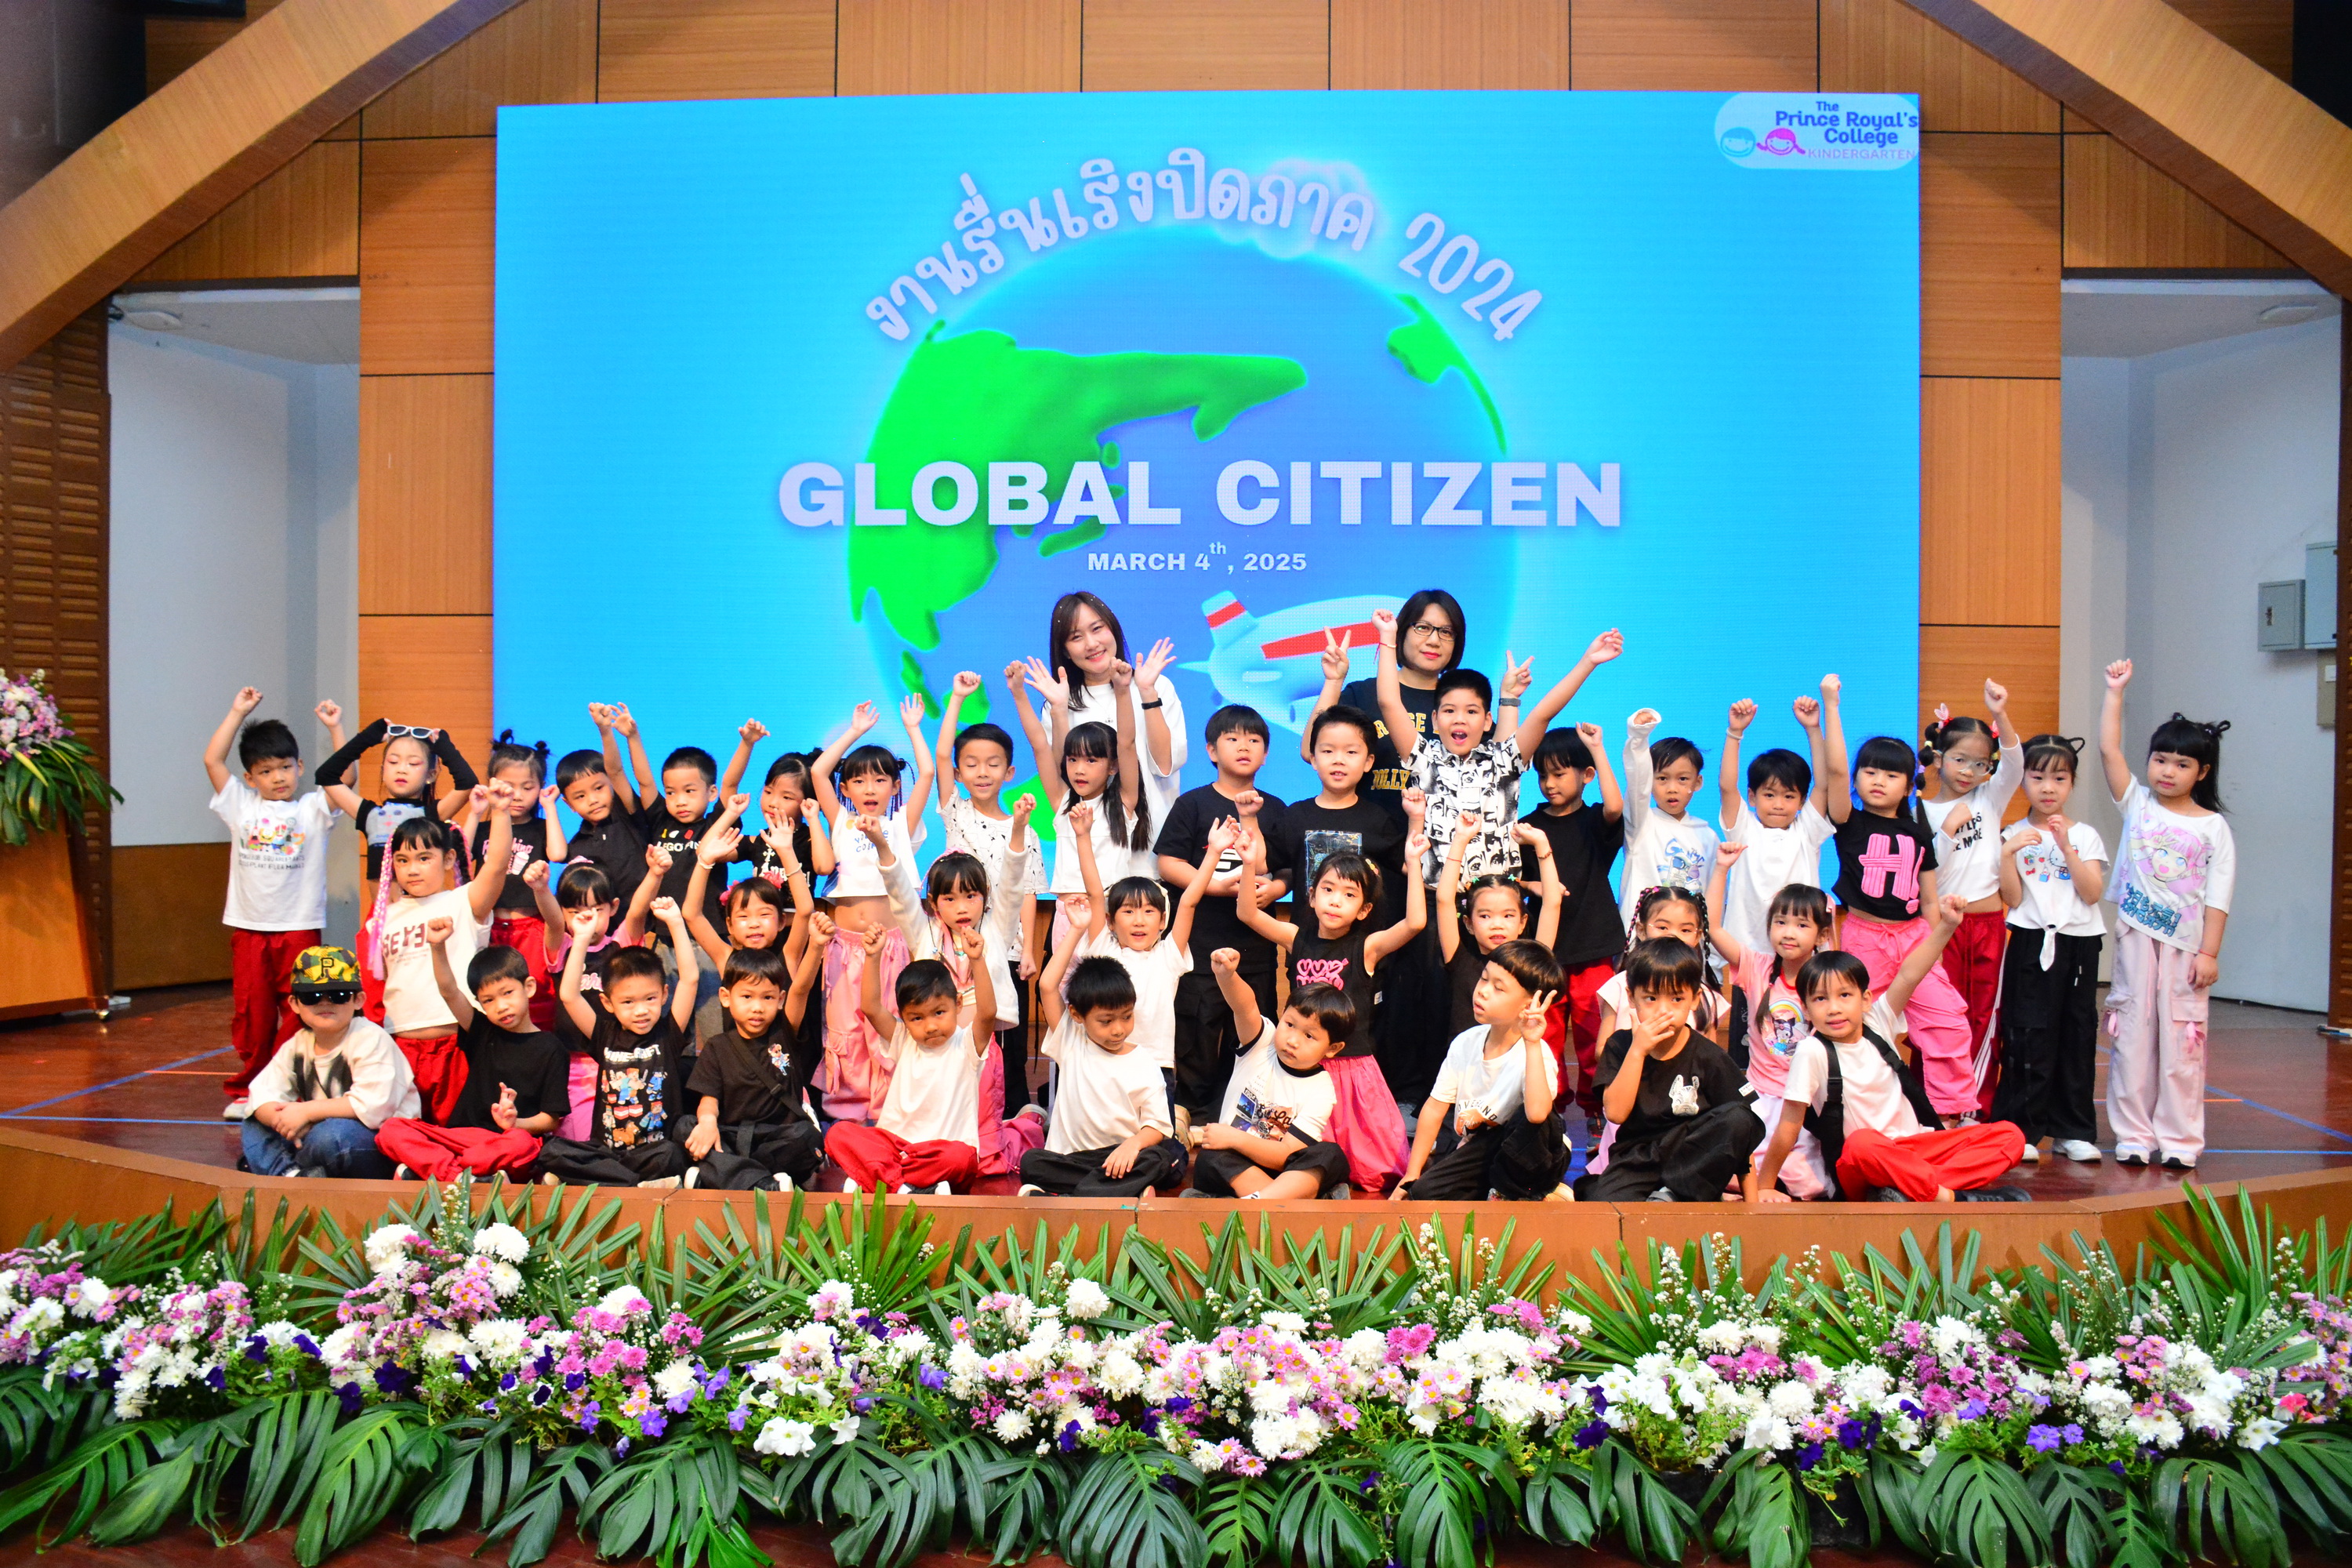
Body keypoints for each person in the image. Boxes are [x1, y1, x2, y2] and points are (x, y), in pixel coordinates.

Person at [1753, 916, 2028, 1203]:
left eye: (1844, 995)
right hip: (1863, 1163)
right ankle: (1948, 1197)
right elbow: (1789, 1123)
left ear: (1865, 1000)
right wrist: (1765, 1186)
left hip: (1915, 1149)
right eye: (1820, 999)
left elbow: (1910, 974)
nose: (1834, 1008)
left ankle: (1906, 1190)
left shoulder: (1878, 1022)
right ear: (1807, 1010)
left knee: (2010, 1136)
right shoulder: (1812, 1051)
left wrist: (1947, 925)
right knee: (1861, 1143)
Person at [2098, 660, 2234, 1171]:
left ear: (2202, 772)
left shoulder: (2213, 827)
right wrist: (2115, 692)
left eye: (2181, 764)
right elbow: (2109, 750)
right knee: (2132, 1039)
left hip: (2185, 948)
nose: (2167, 771)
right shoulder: (2137, 804)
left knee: (2182, 1045)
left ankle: (2180, 1140)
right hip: (2137, 940)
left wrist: (2209, 953)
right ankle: (2134, 1135)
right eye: (2160, 760)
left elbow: (2218, 896)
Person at [1820, 674, 1974, 1122]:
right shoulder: (1848, 820)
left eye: (1891, 775)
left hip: (1915, 938)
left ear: (1909, 786)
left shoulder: (1917, 831)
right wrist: (1832, 705)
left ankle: (1948, 1117)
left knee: (1947, 1021)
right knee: (1854, 1026)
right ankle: (1855, 1114)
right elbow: (1834, 771)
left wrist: (1936, 947)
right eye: (1869, 772)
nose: (1878, 781)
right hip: (1864, 938)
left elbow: (1929, 901)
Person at [1239, 836, 1427, 1194]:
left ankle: (1333, 1183)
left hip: (1350, 1067)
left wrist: (1414, 862)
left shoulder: (1367, 947)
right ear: (1311, 897)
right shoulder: (1297, 938)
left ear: (1364, 910)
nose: (1336, 900)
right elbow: (1247, 913)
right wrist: (1250, 865)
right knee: (1294, 1152)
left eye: (1349, 894)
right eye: (1328, 889)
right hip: (1301, 1067)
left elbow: (1415, 923)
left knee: (1369, 1165)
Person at [1372, 613, 1620, 884]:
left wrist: (1588, 662)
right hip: (1435, 896)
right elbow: (1389, 703)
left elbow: (1543, 714)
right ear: (1434, 719)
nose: (1459, 719)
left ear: (1488, 720)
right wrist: (1387, 636)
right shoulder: (1424, 758)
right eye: (1449, 710)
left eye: (1471, 711)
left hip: (1498, 901)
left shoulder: (1503, 760)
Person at [202, 688, 343, 1119]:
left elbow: (345, 779)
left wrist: (336, 728)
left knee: (299, 1008)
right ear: (251, 778)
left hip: (299, 927)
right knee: (253, 1013)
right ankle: (250, 1089)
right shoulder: (240, 806)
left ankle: (284, 1086)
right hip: (250, 927)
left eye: (285, 767)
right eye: (266, 771)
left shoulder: (313, 809)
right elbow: (213, 760)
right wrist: (237, 711)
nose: (278, 777)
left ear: (299, 767)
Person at [1155, 705, 1294, 1138]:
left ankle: (1241, 1114)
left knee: (1254, 1027)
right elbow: (1168, 863)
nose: (1244, 746)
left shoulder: (1275, 808)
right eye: (1232, 739)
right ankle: (1191, 1112)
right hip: (1199, 944)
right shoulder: (1192, 804)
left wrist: (1275, 888)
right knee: (1197, 1029)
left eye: (1254, 740)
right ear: (1212, 751)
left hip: (1255, 946)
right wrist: (1214, 887)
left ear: (1266, 755)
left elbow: (1286, 869)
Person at [883, 819, 1050, 1177]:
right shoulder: (924, 933)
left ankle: (1013, 1133)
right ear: (934, 903)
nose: (962, 907)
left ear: (985, 897)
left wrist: (1018, 830)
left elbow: (1013, 887)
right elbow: (900, 895)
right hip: (934, 1052)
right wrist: (881, 846)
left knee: (981, 1137)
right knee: (938, 1121)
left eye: (971, 896)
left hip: (979, 1051)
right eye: (950, 898)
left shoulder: (996, 929)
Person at [1988, 735, 2107, 1166]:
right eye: (2037, 777)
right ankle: (2020, 1131)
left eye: (2059, 778)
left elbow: (2092, 893)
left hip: (2079, 945)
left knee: (2077, 1034)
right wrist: (2007, 854)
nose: (2048, 788)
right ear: (2023, 781)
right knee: (2027, 1033)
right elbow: (2013, 898)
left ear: (2072, 783)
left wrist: (2066, 846)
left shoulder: (2086, 835)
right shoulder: (2012, 834)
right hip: (2030, 939)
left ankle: (2072, 1131)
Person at [1574, 938, 1760, 1203]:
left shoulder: (1709, 1056)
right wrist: (1637, 1051)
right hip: (1637, 1159)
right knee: (1603, 1202)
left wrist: (1752, 1204)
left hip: (1691, 1161)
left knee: (1741, 1116)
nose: (1664, 1011)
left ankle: (1675, 1193)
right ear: (1631, 998)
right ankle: (1670, 1197)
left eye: (1676, 999)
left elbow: (1741, 1128)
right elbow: (1615, 1114)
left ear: (1694, 999)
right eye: (1651, 998)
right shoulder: (1619, 1046)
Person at [808, 701, 922, 1125]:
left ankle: (890, 1113)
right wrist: (855, 731)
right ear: (845, 789)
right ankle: (845, 1118)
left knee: (888, 1025)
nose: (869, 787)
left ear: (895, 785)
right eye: (858, 780)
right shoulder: (840, 820)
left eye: (879, 779)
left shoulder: (902, 825)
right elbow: (818, 771)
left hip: (891, 946)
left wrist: (913, 728)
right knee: (845, 1028)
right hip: (844, 946)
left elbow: (928, 773)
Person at [1065, 799, 1213, 1129]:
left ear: (1162, 921)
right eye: (1128, 911)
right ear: (1110, 921)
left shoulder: (1168, 956)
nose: (1139, 920)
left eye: (1149, 911)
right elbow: (1094, 893)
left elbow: (1189, 901)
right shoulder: (1103, 949)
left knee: (1156, 1137)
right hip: (1105, 1057)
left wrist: (1214, 852)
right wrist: (1083, 836)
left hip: (1156, 1063)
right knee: (1112, 1133)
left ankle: (1177, 1124)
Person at [375, 936, 570, 1182]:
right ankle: (460, 1176)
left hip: (505, 1141)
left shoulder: (552, 1048)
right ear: (480, 1004)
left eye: (508, 993)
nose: (501, 1006)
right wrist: (437, 946)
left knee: (523, 1145)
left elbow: (550, 1120)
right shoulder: (482, 1031)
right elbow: (449, 991)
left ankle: (438, 1171)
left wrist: (514, 1123)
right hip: (458, 1138)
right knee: (392, 1129)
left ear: (529, 987)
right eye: (489, 1000)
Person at [374, 789, 515, 1121]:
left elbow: (496, 865)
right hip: (400, 1045)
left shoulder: (464, 901)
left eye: (424, 858)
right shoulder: (383, 917)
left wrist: (500, 811)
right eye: (402, 860)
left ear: (449, 859)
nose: (412, 869)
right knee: (403, 1132)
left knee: (458, 1132)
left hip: (456, 1043)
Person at [1395, 938, 1570, 1201]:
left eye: (1498, 988)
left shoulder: (1537, 1052)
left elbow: (1537, 1115)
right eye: (1484, 979)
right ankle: (1504, 1193)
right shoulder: (1466, 1042)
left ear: (1528, 1005)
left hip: (1528, 1156)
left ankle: (1537, 1191)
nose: (1483, 991)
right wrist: (1411, 1174)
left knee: (1534, 1121)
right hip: (1478, 1151)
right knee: (1423, 1192)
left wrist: (1532, 1042)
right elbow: (1435, 1107)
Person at [1704, 851, 1836, 1198]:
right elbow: (1713, 928)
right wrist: (1721, 869)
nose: (1789, 933)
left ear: (1821, 934)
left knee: (1811, 1180)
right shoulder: (1758, 967)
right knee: (1730, 1163)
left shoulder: (1826, 979)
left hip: (1804, 1101)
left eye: (1802, 925)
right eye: (1781, 922)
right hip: (1760, 1096)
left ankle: (1773, 1189)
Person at [540, 898, 699, 1187]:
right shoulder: (604, 1034)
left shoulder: (668, 1033)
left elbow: (690, 979)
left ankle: (604, 1179)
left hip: (654, 1153)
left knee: (672, 1154)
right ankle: (630, 1182)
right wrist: (581, 938)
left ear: (664, 995)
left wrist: (676, 923)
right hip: (608, 1153)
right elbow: (569, 996)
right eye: (628, 1002)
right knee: (552, 1152)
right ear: (607, 1003)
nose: (641, 1010)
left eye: (650, 999)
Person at [825, 934, 998, 1195]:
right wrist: (873, 956)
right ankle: (904, 1187)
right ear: (904, 1019)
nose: (930, 1026)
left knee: (962, 1157)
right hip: (895, 1149)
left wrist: (977, 960)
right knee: (838, 1134)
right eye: (917, 1018)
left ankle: (880, 1181)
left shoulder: (967, 1045)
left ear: (958, 1004)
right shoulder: (903, 1039)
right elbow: (870, 1007)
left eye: (939, 1012)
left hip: (939, 1157)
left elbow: (988, 1013)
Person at [1918, 681, 2022, 1109]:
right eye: (1959, 759)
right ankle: (1932, 1104)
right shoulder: (1920, 810)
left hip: (1987, 925)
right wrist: (1946, 830)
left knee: (1983, 1014)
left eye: (1980, 764)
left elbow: (2015, 763)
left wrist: (2000, 713)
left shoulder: (1989, 798)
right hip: (1941, 928)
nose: (1968, 771)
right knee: (1939, 1013)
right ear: (1938, 759)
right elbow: (1925, 872)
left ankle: (1974, 1105)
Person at [1184, 949, 1352, 1200]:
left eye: (1309, 1036)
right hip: (1237, 1166)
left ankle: (1257, 1203)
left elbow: (1286, 1155)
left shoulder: (1321, 1089)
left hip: (1282, 1171)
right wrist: (1227, 976)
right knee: (1211, 1156)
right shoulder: (1263, 1045)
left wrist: (1235, 1138)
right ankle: (1290, 1203)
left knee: (1331, 1155)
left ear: (1333, 1048)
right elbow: (1245, 1007)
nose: (1292, 1040)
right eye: (1290, 1024)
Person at [1013, 655, 1157, 941]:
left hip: (1111, 914)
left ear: (1113, 766)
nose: (1079, 769)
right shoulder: (1064, 802)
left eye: (1091, 760)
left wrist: (1122, 691)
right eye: (1073, 759)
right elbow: (1039, 744)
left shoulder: (1124, 802)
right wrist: (1018, 692)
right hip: (1067, 916)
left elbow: (1127, 743)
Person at [239, 946, 416, 1178]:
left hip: (376, 1144)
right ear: (294, 1003)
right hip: (314, 1136)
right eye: (311, 997)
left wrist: (306, 1112)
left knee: (332, 1135)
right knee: (254, 1120)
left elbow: (374, 1106)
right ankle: (291, 1176)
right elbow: (261, 1094)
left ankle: (287, 1169)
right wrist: (283, 1121)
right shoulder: (298, 1044)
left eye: (338, 995)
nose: (325, 1003)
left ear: (358, 1000)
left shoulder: (370, 1038)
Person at [1518, 720, 1626, 1096]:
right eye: (1543, 775)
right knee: (1545, 1032)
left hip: (1594, 945)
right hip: (1545, 948)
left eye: (1559, 774)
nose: (1549, 784)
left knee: (1594, 1030)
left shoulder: (1594, 821)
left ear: (1587, 776)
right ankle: (1550, 1105)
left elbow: (1615, 806)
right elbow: (1512, 879)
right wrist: (1535, 885)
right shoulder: (1528, 827)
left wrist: (1597, 747)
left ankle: (1597, 1108)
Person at [1019, 956, 1185, 1197]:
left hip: (1120, 1158)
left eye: (1127, 1017)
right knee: (1031, 1162)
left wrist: (1133, 1145)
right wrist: (1076, 933)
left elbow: (1156, 1126)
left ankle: (1073, 1198)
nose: (1118, 1029)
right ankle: (1114, 1191)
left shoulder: (1145, 1064)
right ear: (1076, 1014)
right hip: (1072, 1160)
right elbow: (1047, 985)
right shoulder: (1072, 1042)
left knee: (1158, 1158)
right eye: (1106, 1021)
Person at [1303, 586, 1468, 814]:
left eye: (1446, 632)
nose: (1434, 640)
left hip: (1438, 832)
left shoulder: (1462, 704)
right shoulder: (1363, 694)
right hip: (1368, 829)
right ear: (1401, 632)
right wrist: (1334, 680)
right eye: (1423, 628)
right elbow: (1309, 750)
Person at [932, 669, 1044, 996]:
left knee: (1006, 1024)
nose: (982, 772)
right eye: (971, 764)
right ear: (958, 773)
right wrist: (957, 698)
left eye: (993, 764)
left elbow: (1027, 893)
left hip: (1007, 951)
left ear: (1009, 772)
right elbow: (942, 755)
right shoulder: (956, 811)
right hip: (955, 947)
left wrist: (1027, 950)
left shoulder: (1025, 830)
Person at [681, 942, 828, 1191]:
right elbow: (709, 1100)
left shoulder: (785, 1032)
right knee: (685, 1127)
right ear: (726, 997)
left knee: (807, 1137)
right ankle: (765, 1182)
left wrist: (815, 945)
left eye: (767, 997)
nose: (757, 1007)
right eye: (747, 997)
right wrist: (707, 1122)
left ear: (780, 1000)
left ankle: (722, 1174)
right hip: (731, 1136)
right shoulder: (717, 1047)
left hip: (778, 1138)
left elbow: (801, 989)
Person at [1715, 696, 1834, 960]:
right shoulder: (1743, 828)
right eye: (1769, 795)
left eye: (1789, 796)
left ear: (1802, 801)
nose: (1779, 804)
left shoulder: (1807, 831)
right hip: (1748, 953)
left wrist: (1813, 729)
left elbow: (1824, 785)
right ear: (1752, 796)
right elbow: (1727, 786)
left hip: (1801, 954)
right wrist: (1735, 732)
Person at [1047, 590, 1185, 814]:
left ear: (1113, 629)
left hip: (1160, 830)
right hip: (1088, 832)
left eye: (1097, 629)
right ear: (1066, 651)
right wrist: (1059, 710)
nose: (1091, 644)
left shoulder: (1156, 685)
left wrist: (1148, 693)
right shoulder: (1060, 702)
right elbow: (1059, 781)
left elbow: (1165, 766)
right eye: (1076, 637)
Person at [310, 706, 476, 884]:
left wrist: (443, 746)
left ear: (431, 775)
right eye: (393, 762)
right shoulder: (371, 815)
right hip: (379, 904)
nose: (401, 769)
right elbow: (325, 776)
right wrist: (367, 738)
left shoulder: (430, 815)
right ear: (383, 770)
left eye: (413, 763)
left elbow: (467, 783)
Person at [470, 731, 568, 1030]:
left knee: (535, 992)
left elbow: (558, 853)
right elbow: (458, 855)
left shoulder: (540, 827)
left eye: (528, 787)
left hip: (532, 927)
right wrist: (475, 813)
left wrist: (550, 807)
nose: (518, 795)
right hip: (489, 927)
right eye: (509, 786)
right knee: (491, 993)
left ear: (540, 788)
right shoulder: (486, 828)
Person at [1436, 816, 1562, 1042]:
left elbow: (1552, 903)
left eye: (1508, 916)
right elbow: (1444, 900)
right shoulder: (1459, 958)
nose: (1497, 924)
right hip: (1466, 1061)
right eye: (1485, 916)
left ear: (1522, 922)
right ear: (1469, 924)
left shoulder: (1529, 963)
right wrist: (1461, 839)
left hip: (1516, 1056)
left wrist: (1542, 844)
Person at [1597, 886, 1733, 1046]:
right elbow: (1602, 1049)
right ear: (1641, 930)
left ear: (1698, 936)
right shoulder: (1620, 985)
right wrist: (1636, 1051)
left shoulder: (1704, 995)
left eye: (1685, 930)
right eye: (1662, 927)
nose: (1673, 936)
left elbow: (1711, 1052)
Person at [1618, 710, 1717, 928]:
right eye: (1662, 778)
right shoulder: (1641, 823)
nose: (1672, 788)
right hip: (1644, 942)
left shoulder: (1708, 836)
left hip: (1689, 942)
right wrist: (1638, 737)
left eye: (1683, 779)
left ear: (1698, 782)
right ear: (1650, 781)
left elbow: (1713, 896)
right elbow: (1637, 784)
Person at [554, 709, 648, 908]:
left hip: (644, 921)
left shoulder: (627, 816)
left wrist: (605, 731)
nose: (593, 800)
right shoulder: (577, 846)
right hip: (603, 924)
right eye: (580, 796)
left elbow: (616, 771)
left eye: (599, 788)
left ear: (612, 785)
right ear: (569, 804)